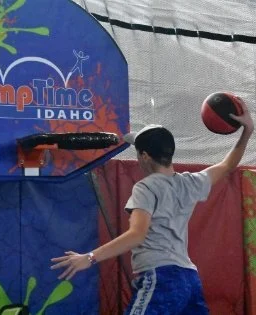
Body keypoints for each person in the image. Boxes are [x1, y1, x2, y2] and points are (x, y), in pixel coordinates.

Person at [50, 97, 254, 314]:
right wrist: (247, 130)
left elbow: (137, 234)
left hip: (161, 277)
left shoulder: (145, 188)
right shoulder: (190, 182)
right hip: (189, 279)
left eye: (138, 153)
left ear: (144, 156)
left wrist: (89, 258)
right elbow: (228, 165)